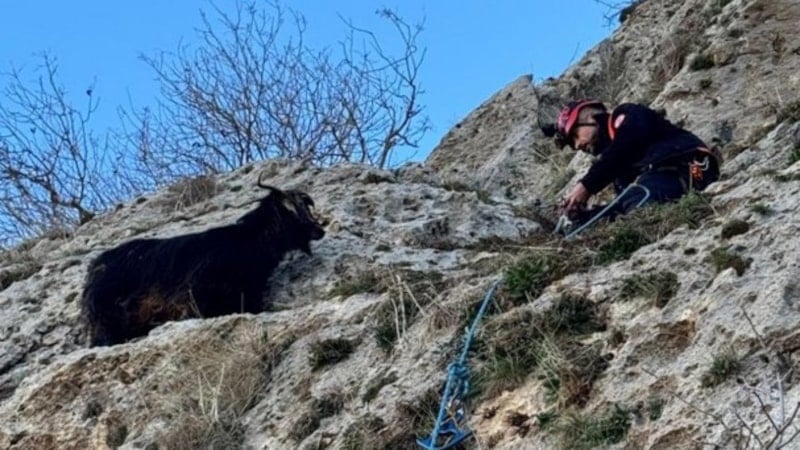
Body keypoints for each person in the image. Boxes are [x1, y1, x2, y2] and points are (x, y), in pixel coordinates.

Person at [545, 99, 720, 227]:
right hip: (658, 183)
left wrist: (585, 186)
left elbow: (625, 146)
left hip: (691, 166)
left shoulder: (628, 115)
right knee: (589, 222)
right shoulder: (616, 165)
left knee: (637, 198)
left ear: (590, 116)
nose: (577, 145)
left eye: (576, 135)